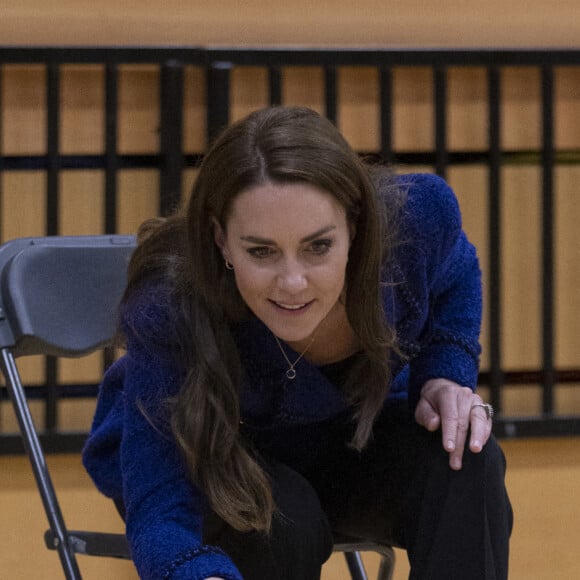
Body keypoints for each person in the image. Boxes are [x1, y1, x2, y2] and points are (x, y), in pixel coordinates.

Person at [83, 105, 512, 580]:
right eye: (261, 251)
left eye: (318, 246)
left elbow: (456, 272)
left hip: (351, 440)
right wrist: (190, 572)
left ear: (354, 226)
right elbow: (160, 503)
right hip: (221, 460)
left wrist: (445, 376)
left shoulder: (414, 224)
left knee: (465, 456)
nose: (292, 282)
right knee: (279, 521)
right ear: (221, 240)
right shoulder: (170, 302)